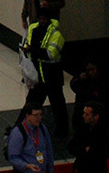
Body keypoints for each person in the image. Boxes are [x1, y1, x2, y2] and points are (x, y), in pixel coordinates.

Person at [22, 9, 68, 138]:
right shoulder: (33, 29)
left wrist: (32, 50)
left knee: (57, 104)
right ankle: (22, 127)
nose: (42, 21)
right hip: (40, 74)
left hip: (52, 75)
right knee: (32, 102)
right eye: (40, 18)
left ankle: (62, 130)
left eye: (44, 19)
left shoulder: (56, 35)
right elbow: (29, 45)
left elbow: (50, 54)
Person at [7, 103, 55, 173]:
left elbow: (49, 151)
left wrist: (51, 170)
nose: (39, 118)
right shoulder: (18, 133)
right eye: (36, 115)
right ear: (27, 115)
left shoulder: (42, 129)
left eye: (40, 115)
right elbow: (13, 158)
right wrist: (26, 166)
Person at [69, 102, 109, 173]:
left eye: (87, 114)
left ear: (96, 116)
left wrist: (82, 150)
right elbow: (71, 147)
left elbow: (102, 154)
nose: (83, 116)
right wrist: (85, 150)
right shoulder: (83, 128)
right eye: (84, 113)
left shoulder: (103, 132)